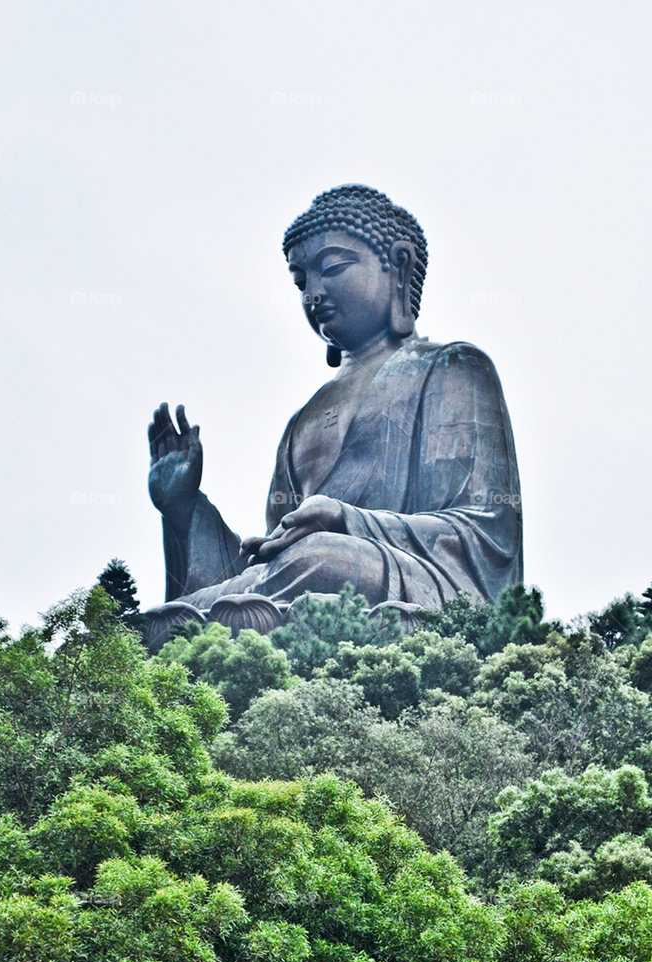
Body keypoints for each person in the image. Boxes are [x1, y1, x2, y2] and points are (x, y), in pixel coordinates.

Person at [144, 184, 522, 648]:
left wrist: (346, 519)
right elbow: (269, 560)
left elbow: (484, 532)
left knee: (319, 559)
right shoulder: (303, 420)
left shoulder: (452, 368)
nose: (314, 293)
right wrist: (184, 509)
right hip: (306, 584)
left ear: (398, 265)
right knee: (193, 606)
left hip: (415, 590)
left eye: (333, 268)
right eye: (301, 281)